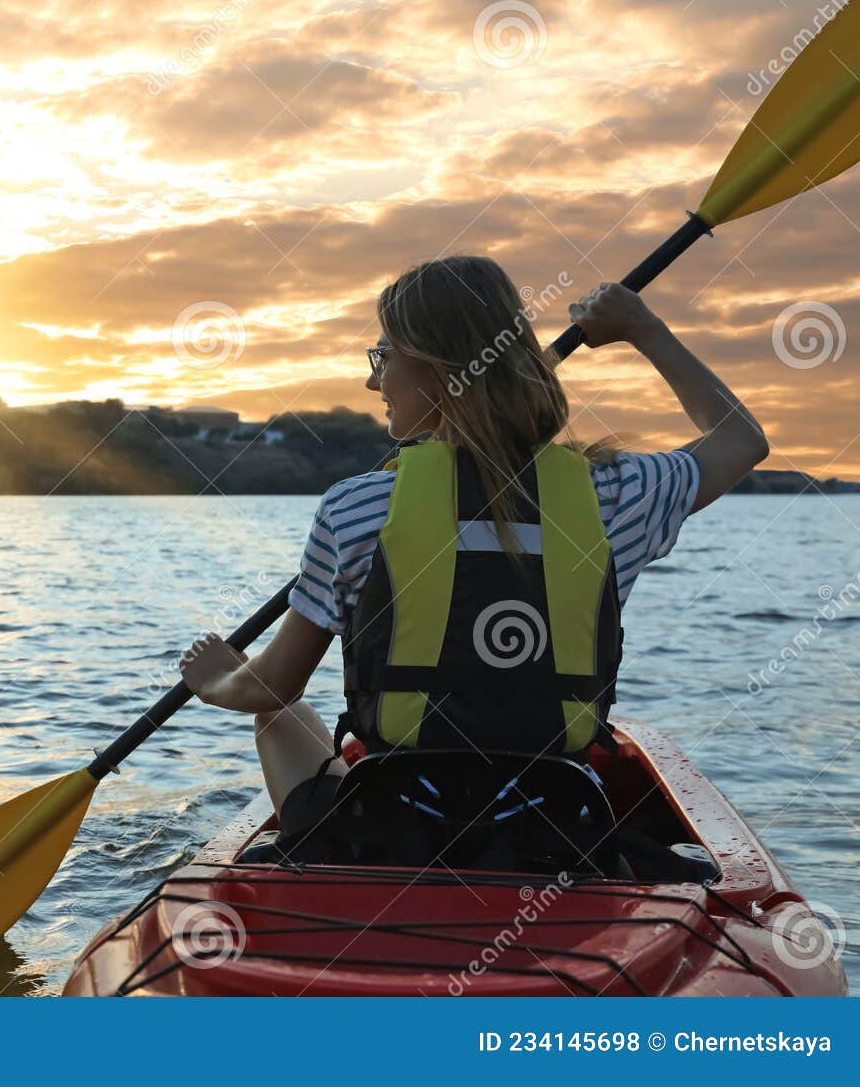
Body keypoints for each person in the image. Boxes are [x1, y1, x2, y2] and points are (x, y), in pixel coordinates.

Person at [179, 257, 768, 845]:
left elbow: (271, 689)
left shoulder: (355, 507)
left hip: (393, 827)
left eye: (383, 358)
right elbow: (742, 439)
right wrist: (642, 329)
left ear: (434, 370)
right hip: (554, 824)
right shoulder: (615, 494)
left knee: (278, 720)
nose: (372, 382)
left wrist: (216, 679)